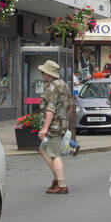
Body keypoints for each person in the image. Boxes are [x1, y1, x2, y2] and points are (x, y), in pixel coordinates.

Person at [37, 60, 73, 195]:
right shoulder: (64, 85)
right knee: (44, 149)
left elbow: (50, 109)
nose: (41, 74)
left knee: (54, 154)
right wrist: (65, 121)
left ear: (48, 74)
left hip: (53, 127)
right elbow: (69, 106)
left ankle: (61, 183)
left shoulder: (52, 87)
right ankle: (56, 179)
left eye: (43, 72)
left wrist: (44, 128)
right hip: (61, 124)